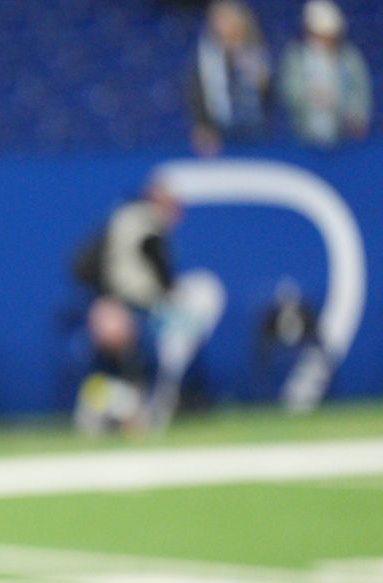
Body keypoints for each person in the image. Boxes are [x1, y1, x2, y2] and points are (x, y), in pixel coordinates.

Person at [72, 184, 225, 434]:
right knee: (155, 362)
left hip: (118, 306)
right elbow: (156, 264)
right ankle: (132, 411)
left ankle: (116, 410)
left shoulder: (123, 216)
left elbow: (84, 261)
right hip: (133, 307)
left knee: (136, 369)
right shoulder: (147, 222)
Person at [279, 0, 372, 149]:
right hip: (304, 137)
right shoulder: (296, 57)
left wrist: (355, 115)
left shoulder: (349, 57)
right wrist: (312, 97)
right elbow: (290, 91)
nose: (325, 40)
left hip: (343, 137)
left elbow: (360, 91)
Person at [187, 0, 271, 156]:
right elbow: (197, 94)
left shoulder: (256, 53)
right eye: (220, 20)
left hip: (254, 131)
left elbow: (268, 94)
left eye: (228, 20)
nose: (224, 26)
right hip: (218, 132)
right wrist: (203, 126)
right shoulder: (206, 57)